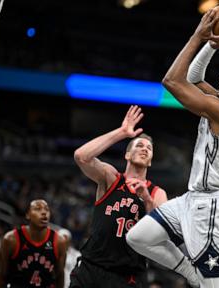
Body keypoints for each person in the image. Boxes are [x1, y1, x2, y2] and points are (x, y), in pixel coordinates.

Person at [126, 8, 219, 288]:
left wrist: (197, 36)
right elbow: (193, 76)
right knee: (138, 237)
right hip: (194, 199)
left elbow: (172, 81)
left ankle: (202, 281)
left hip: (214, 204)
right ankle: (192, 275)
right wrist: (211, 46)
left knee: (215, 286)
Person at [70, 105, 167, 288]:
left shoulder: (156, 193)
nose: (144, 149)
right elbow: (81, 156)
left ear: (151, 160)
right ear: (127, 154)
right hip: (92, 267)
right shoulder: (111, 178)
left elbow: (160, 234)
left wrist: (146, 199)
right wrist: (122, 132)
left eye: (149, 148)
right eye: (139, 145)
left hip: (128, 275)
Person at [0, 199, 67, 288]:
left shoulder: (59, 241)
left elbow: (60, 276)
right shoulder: (11, 239)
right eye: (38, 209)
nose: (44, 212)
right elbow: (2, 275)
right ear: (28, 215)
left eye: (46, 209)